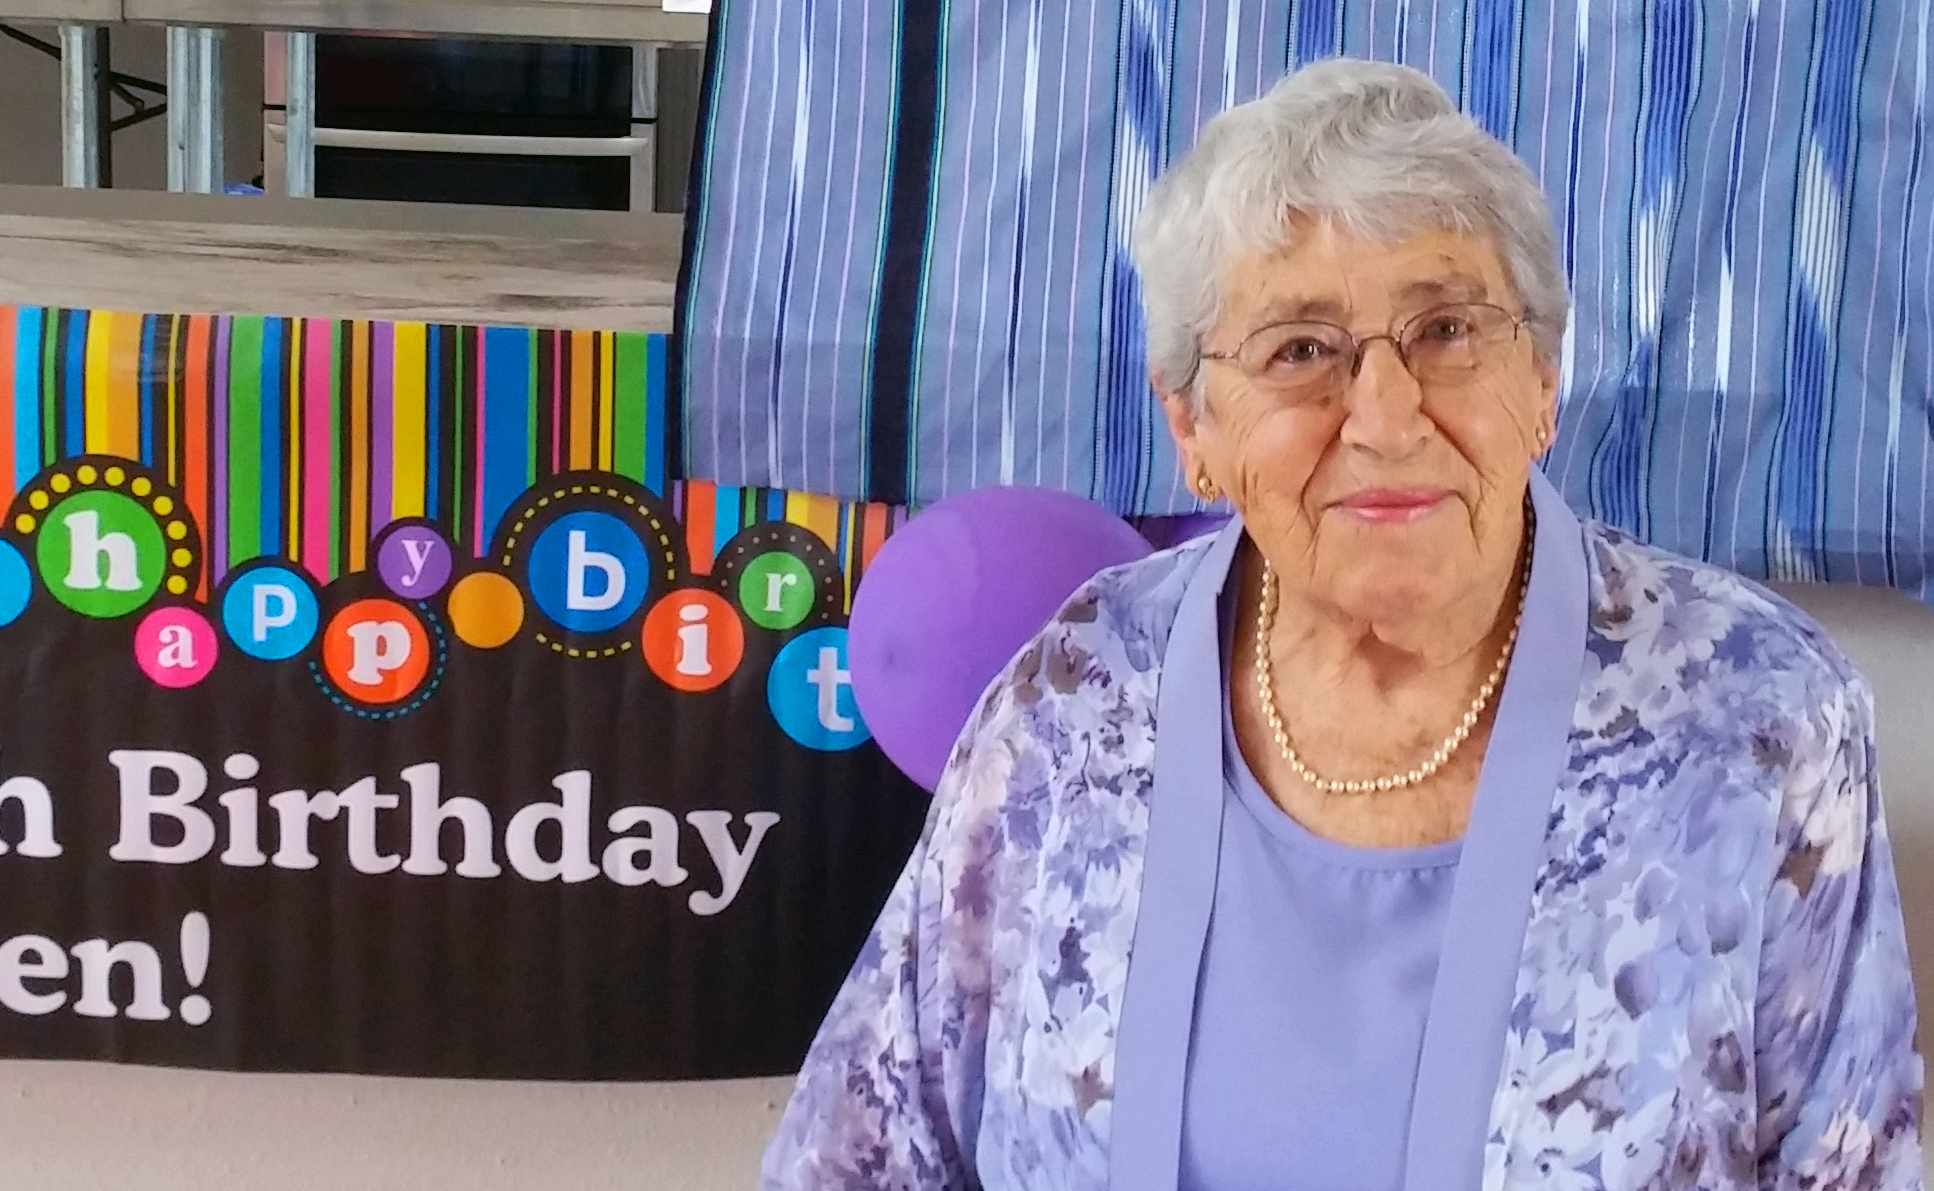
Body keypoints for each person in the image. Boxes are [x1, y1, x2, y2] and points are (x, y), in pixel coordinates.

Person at [761, 58, 1923, 1190]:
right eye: (1299, 350)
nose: (1383, 415)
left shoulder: (1755, 711)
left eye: (1447, 329)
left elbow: (1849, 1164)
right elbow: (867, 1145)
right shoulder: (1076, 694)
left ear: (1542, 382)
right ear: (1191, 428)